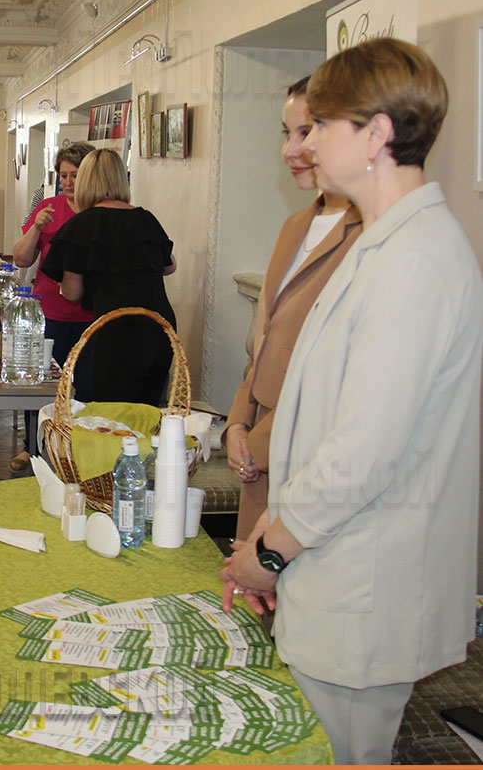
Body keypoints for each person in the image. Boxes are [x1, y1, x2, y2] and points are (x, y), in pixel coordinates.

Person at [220, 38, 483, 765]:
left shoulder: (417, 261)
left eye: (323, 125)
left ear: (376, 136)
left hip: (363, 590)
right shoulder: (377, 245)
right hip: (331, 569)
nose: (307, 142)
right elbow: (321, 420)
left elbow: (364, 452)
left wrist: (268, 553)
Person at [223, 77, 362, 539]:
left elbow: (341, 383)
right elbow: (260, 342)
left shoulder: (371, 237)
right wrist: (239, 423)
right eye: (287, 133)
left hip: (309, 458)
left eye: (307, 132)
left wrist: (257, 444)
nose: (291, 149)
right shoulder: (295, 225)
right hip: (259, 444)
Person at [41, 148, 176, 406]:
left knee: (108, 412)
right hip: (159, 327)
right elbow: (169, 266)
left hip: (115, 330)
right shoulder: (145, 218)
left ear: (86, 181)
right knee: (145, 411)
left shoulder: (81, 225)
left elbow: (72, 292)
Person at [10, 141, 94, 474]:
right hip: (49, 313)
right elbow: (20, 257)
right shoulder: (48, 206)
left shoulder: (98, 210)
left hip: (90, 315)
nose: (69, 182)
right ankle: (32, 448)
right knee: (40, 385)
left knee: (84, 387)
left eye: (75, 174)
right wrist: (37, 227)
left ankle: (77, 450)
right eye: (64, 175)